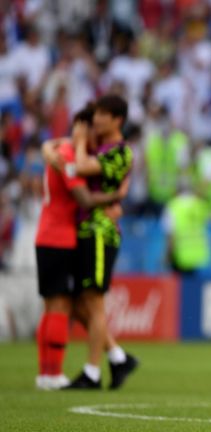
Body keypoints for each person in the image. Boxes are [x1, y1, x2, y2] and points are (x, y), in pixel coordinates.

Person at [34, 106, 123, 390]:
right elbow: (83, 198)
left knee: (51, 306)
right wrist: (115, 197)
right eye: (91, 127)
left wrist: (48, 146)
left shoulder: (58, 149)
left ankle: (46, 372)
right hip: (61, 237)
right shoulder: (70, 153)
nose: (95, 132)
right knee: (60, 305)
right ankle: (53, 373)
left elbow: (50, 148)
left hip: (46, 233)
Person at [65, 94, 138, 389]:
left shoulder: (120, 151)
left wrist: (79, 141)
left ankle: (92, 372)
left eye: (103, 114)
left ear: (117, 119)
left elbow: (79, 167)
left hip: (101, 230)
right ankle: (118, 357)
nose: (96, 120)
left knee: (93, 302)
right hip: (85, 229)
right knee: (80, 302)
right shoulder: (103, 148)